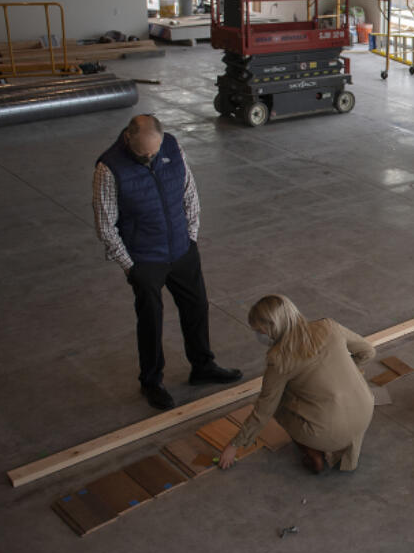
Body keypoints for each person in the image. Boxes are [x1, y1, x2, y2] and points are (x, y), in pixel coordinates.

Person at [93, 114, 241, 410]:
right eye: (142, 154)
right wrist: (130, 266)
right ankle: (151, 382)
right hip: (145, 258)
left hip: (181, 248)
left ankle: (202, 366)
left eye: (154, 153)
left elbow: (189, 192)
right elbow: (105, 224)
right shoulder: (108, 167)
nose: (149, 159)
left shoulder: (172, 147)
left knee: (196, 306)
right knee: (151, 321)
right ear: (127, 138)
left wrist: (191, 237)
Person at [219, 295, 375, 474]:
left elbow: (264, 410)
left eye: (259, 331)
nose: (258, 336)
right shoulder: (328, 326)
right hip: (365, 413)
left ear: (272, 329)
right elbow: (368, 351)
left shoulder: (279, 360)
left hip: (328, 434)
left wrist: (234, 445)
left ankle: (312, 451)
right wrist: (350, 372)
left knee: (277, 402)